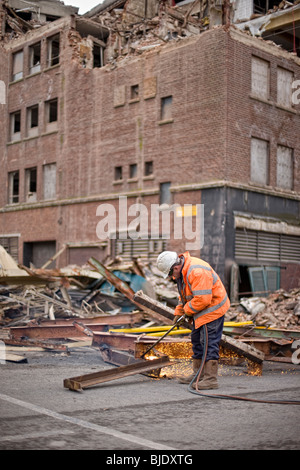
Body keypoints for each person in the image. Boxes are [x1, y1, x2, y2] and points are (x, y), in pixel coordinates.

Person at [156, 250, 230, 389]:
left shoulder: (197, 271)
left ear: (175, 267)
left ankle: (210, 379)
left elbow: (203, 299)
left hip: (212, 310)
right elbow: (185, 296)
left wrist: (187, 312)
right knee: (197, 340)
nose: (171, 277)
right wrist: (178, 312)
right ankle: (198, 375)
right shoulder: (183, 272)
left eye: (171, 274)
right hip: (200, 311)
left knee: (208, 343)